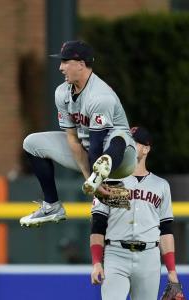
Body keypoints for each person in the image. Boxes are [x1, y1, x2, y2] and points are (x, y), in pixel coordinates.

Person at [20, 40, 137, 227]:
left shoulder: (100, 96)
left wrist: (95, 180)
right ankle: (52, 205)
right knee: (31, 143)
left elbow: (97, 144)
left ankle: (101, 177)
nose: (60, 67)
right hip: (88, 152)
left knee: (118, 136)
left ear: (81, 64)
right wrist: (89, 179)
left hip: (122, 157)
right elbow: (73, 139)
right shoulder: (62, 93)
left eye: (65, 62)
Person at [90, 127, 183, 300]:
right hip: (116, 254)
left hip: (149, 257)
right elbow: (98, 224)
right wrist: (96, 262)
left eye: (134, 142)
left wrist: (172, 271)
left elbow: (166, 230)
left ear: (146, 149)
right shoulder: (108, 181)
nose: (128, 146)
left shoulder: (161, 185)